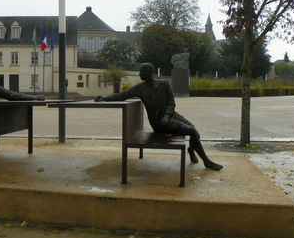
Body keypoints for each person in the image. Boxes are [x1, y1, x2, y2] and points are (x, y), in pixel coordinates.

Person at [95, 62, 223, 171]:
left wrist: (167, 115)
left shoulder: (164, 84)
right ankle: (206, 161)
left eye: (142, 71)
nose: (139, 74)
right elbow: (121, 96)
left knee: (193, 129)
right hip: (159, 122)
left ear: (149, 72)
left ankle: (191, 149)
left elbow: (172, 102)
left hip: (170, 115)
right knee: (192, 131)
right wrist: (104, 98)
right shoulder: (140, 88)